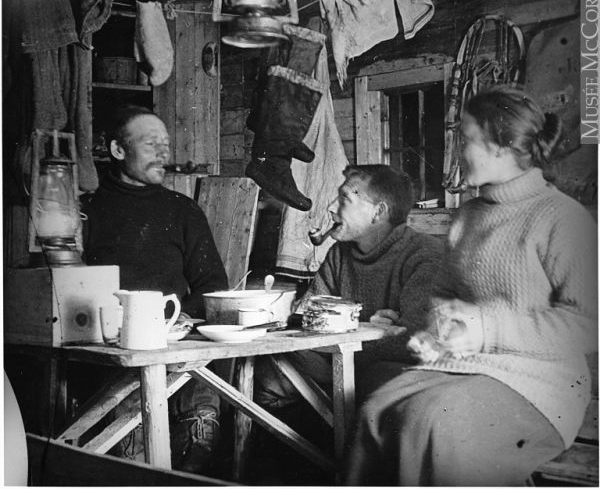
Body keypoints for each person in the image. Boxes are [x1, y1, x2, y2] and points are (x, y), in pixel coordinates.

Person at [345, 89, 598, 486]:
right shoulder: (467, 217)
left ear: (500, 145)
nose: (456, 152)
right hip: (469, 369)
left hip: (542, 386)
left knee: (430, 421)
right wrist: (436, 332)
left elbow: (588, 323)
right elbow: (445, 295)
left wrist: (487, 329)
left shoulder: (561, 217)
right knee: (374, 410)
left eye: (465, 139)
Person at [80, 105, 228, 473]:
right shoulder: (88, 209)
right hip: (109, 350)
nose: (164, 153)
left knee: (199, 429)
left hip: (177, 345)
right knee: (132, 456)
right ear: (117, 150)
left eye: (166, 144)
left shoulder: (183, 210)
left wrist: (178, 327)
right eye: (151, 144)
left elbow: (212, 284)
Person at [255, 164, 444, 408]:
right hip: (338, 364)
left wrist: (359, 338)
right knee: (265, 378)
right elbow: (307, 316)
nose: (331, 207)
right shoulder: (339, 254)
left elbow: (416, 342)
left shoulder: (424, 255)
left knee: (382, 384)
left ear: (378, 212)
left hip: (399, 375)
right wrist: (373, 332)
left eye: (344, 199)